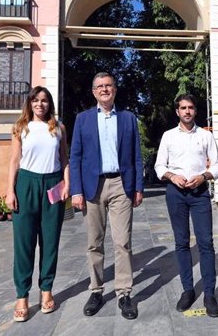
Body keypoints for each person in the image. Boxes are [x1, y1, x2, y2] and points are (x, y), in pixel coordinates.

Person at [70, 72, 144, 320]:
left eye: (108, 85)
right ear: (94, 92)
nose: (104, 89)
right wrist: (76, 190)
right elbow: (76, 157)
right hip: (93, 187)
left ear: (115, 89)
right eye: (100, 86)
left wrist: (138, 187)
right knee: (94, 242)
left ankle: (124, 293)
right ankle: (97, 290)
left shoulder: (128, 118)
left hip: (121, 185)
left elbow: (136, 155)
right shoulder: (82, 120)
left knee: (123, 242)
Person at [6, 86, 70, 323]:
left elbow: (64, 158)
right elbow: (14, 161)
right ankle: (22, 296)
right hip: (26, 183)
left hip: (53, 184)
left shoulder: (58, 128)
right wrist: (9, 191)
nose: (40, 104)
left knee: (50, 242)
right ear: (30, 103)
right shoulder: (21, 128)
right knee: (24, 243)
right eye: (36, 100)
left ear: (49, 104)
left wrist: (67, 184)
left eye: (44, 100)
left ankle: (46, 290)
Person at [155, 94, 218, 317]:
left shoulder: (205, 135)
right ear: (177, 112)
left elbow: (217, 164)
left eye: (190, 108)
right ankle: (187, 290)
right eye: (183, 108)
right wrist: (171, 176)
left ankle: (210, 294)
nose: (187, 111)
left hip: (199, 192)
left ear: (195, 110)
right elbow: (158, 166)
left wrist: (204, 176)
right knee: (182, 243)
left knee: (206, 242)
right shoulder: (168, 136)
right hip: (176, 193)